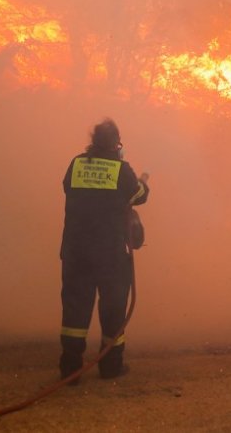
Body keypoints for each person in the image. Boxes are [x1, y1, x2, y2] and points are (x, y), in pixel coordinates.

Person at [58, 118, 150, 382]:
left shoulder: (76, 164)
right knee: (113, 309)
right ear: (116, 143)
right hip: (109, 255)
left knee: (74, 311)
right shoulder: (121, 170)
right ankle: (110, 366)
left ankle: (70, 369)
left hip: (75, 253)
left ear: (92, 141)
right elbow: (138, 195)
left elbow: (69, 189)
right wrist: (143, 182)